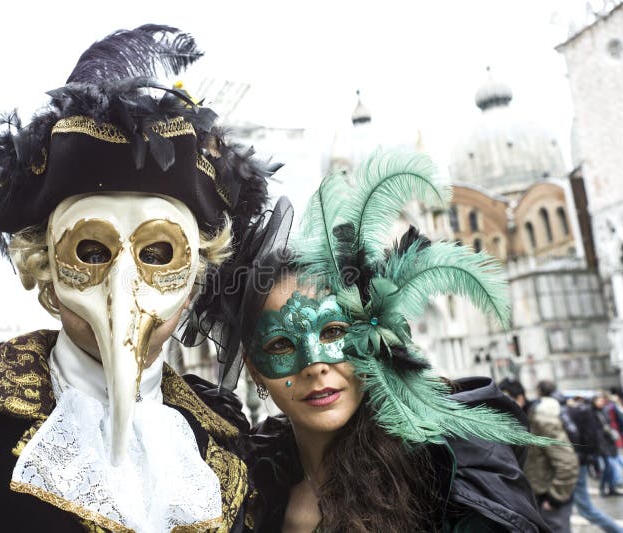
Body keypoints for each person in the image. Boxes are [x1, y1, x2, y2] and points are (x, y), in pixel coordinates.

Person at [0, 25, 278, 533]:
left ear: (193, 279)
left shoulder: (225, 441)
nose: (124, 288)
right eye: (91, 251)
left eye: (158, 254)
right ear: (46, 269)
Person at [188, 151, 551, 531]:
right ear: (254, 369)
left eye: (333, 332)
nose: (315, 365)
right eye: (281, 344)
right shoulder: (248, 488)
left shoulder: (444, 476)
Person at [521, 381, 579, 533]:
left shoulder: (543, 417)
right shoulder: (537, 413)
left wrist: (555, 499)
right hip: (540, 494)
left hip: (550, 497)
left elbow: (567, 463)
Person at [568, 395, 623, 532]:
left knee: (609, 467)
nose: (600, 402)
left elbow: (596, 433)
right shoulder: (589, 412)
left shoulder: (596, 411)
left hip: (598, 449)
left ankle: (608, 488)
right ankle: (606, 488)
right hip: (596, 449)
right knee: (608, 467)